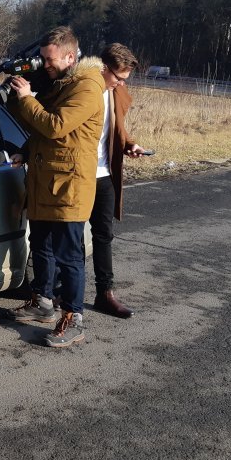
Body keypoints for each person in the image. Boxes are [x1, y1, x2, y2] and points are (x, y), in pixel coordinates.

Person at [7, 26, 105, 348]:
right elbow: (37, 123)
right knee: (42, 245)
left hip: (69, 186)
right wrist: (17, 94)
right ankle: (43, 302)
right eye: (43, 58)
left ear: (70, 56)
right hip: (46, 180)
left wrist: (28, 99)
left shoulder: (87, 87)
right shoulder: (61, 82)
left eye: (50, 60)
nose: (45, 65)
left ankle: (74, 317)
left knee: (68, 255)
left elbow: (55, 125)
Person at [90, 42, 148, 318]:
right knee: (68, 238)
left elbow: (117, 130)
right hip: (78, 175)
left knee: (104, 235)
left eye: (125, 79)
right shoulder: (84, 88)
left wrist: (129, 145)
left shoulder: (117, 93)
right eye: (119, 77)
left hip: (105, 175)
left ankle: (105, 293)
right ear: (103, 67)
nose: (121, 84)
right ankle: (56, 294)